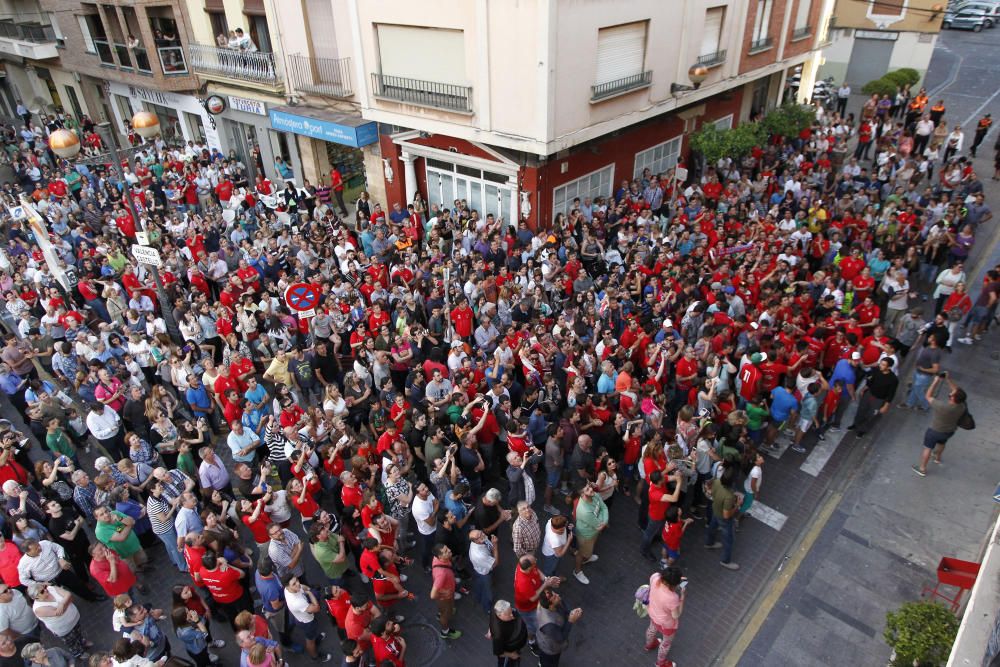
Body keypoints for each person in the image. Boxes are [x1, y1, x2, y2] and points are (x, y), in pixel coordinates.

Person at [912, 374, 968, 477]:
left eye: (951, 394)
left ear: (952, 398)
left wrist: (936, 381)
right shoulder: (962, 405)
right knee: (942, 443)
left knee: (927, 448)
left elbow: (928, 396)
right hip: (949, 431)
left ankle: (922, 468)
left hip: (935, 431)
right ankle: (937, 458)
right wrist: (948, 379)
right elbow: (957, 391)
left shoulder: (942, 406)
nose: (950, 393)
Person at [282, 575, 332, 663]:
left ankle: (315, 640)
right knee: (310, 641)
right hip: (307, 622)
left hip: (303, 617)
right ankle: (315, 656)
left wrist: (307, 589)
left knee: (312, 636)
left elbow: (302, 586)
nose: (298, 584)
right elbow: (317, 608)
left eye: (297, 580)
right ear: (287, 586)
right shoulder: (296, 602)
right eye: (294, 584)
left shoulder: (289, 589)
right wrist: (310, 592)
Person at [644, 566, 685, 667]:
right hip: (666, 624)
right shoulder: (672, 598)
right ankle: (660, 663)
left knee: (651, 629)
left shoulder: (655, 577)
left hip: (653, 613)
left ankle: (649, 645)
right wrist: (682, 597)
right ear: (673, 585)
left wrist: (675, 579)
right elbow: (676, 615)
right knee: (666, 643)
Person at [704, 464, 740, 570]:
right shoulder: (729, 496)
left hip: (715, 508)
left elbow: (709, 488)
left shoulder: (717, 481)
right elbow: (726, 515)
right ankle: (726, 560)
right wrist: (737, 505)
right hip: (724, 518)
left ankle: (709, 542)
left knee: (712, 526)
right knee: (729, 539)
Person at [535, 589, 582, 667]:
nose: (558, 595)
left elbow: (564, 609)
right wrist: (571, 621)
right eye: (554, 597)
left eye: (555, 593)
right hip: (549, 648)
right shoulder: (548, 624)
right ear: (550, 605)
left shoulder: (553, 600)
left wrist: (571, 613)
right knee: (549, 663)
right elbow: (561, 638)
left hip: (554, 638)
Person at [571, 483, 607, 584]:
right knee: (581, 552)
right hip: (586, 532)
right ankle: (577, 571)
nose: (591, 489)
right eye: (587, 489)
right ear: (582, 495)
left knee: (590, 545)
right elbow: (598, 521)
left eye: (589, 486)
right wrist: (604, 520)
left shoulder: (591, 497)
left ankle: (587, 556)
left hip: (592, 530)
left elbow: (601, 507)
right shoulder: (581, 506)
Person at [429, 543, 462, 640]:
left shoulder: (436, 559)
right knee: (445, 614)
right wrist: (444, 594)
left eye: (448, 548)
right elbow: (432, 595)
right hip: (445, 597)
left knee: (446, 609)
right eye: (446, 551)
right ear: (440, 556)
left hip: (447, 594)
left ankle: (443, 612)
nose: (449, 551)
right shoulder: (441, 574)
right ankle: (445, 632)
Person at [490, 599, 528, 667]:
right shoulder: (498, 634)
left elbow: (492, 620)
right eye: (509, 614)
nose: (513, 616)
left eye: (511, 611)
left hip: (516, 646)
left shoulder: (495, 610)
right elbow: (498, 652)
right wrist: (512, 655)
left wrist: (490, 629)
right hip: (510, 652)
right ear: (499, 615)